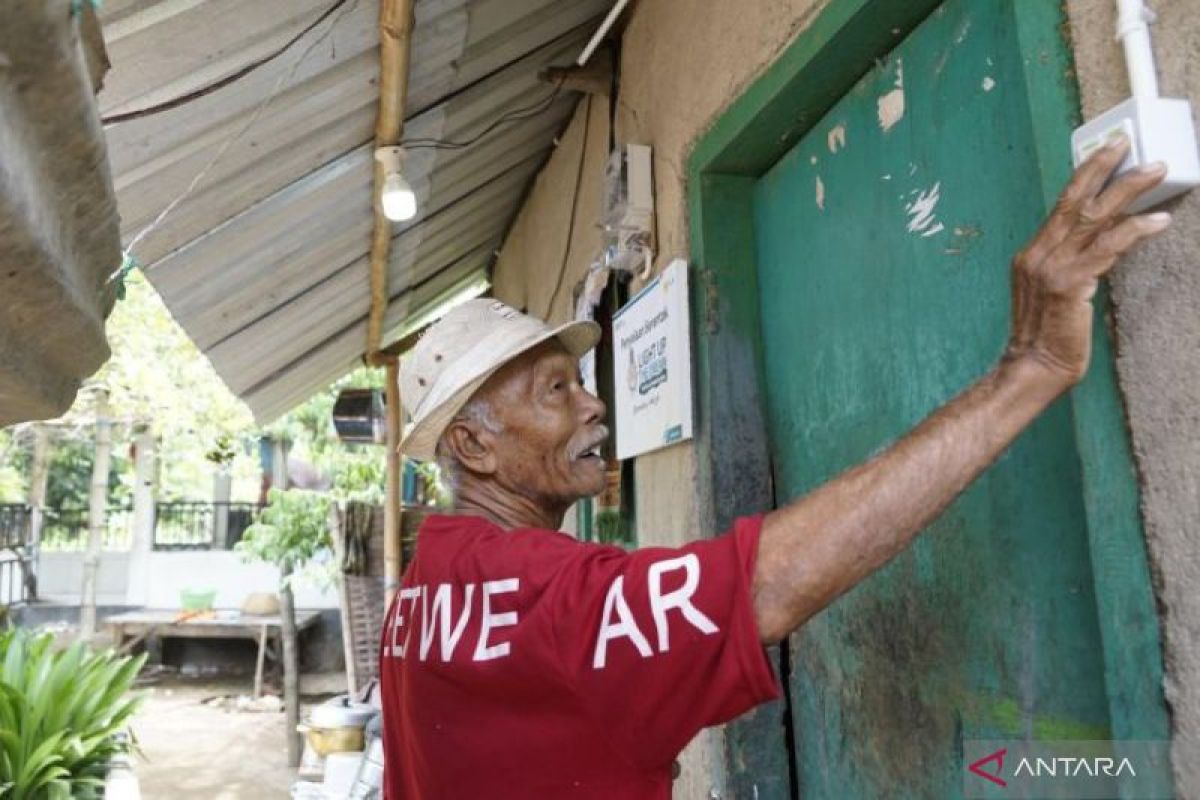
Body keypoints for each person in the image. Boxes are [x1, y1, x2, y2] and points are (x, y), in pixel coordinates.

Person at [378, 138, 1171, 799]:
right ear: (475, 448)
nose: (593, 407)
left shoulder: (421, 595)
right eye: (558, 390)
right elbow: (763, 585)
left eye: (581, 383)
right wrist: (1026, 367)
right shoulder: (548, 596)